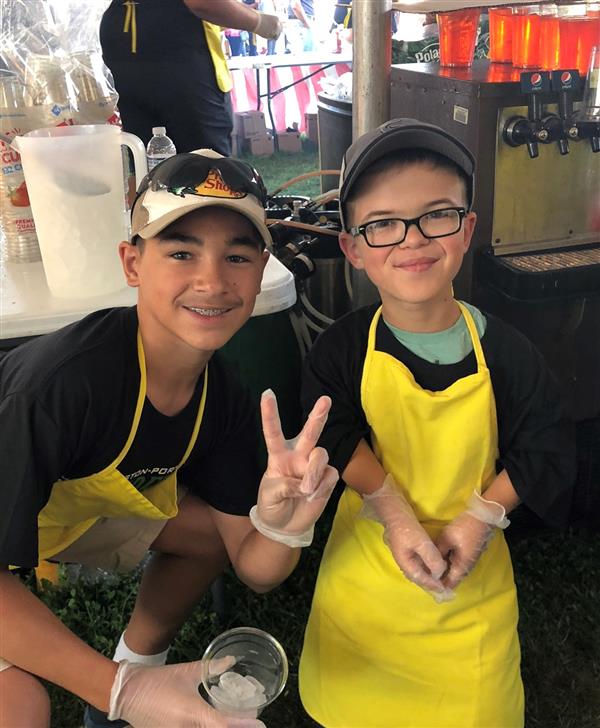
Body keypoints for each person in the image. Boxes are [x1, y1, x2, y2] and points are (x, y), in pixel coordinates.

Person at [0, 150, 338, 728]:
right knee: (21, 708)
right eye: (182, 252)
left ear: (262, 270)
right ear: (132, 263)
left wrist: (284, 526)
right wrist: (121, 692)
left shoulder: (223, 398)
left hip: (55, 514)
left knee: (205, 536)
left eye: (237, 256)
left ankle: (137, 662)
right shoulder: (60, 388)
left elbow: (255, 568)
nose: (212, 281)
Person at [298, 118, 576, 727]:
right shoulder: (342, 349)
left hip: (470, 601)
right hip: (364, 586)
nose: (413, 239)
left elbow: (545, 447)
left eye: (438, 215)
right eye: (383, 224)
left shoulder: (507, 352)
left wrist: (480, 520)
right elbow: (333, 431)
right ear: (353, 249)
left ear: (467, 229)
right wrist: (391, 510)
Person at [99, 0, 282, 155]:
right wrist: (259, 22)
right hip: (177, 58)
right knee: (205, 165)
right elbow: (202, 3)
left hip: (124, 46)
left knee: (147, 163)